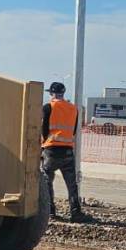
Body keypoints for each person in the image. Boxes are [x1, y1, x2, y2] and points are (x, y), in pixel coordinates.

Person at [41, 81, 89, 222]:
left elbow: (44, 129)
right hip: (67, 151)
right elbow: (73, 130)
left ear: (51, 93)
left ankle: (50, 212)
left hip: (51, 150)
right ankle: (75, 213)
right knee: (72, 184)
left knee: (46, 182)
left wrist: (43, 144)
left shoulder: (48, 107)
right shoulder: (73, 108)